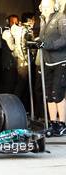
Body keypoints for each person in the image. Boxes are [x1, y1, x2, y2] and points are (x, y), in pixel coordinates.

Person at [38, 0, 66, 136]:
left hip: (61, 61)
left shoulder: (61, 18)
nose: (43, 8)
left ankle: (62, 124)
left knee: (57, 93)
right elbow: (43, 39)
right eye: (42, 5)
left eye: (46, 5)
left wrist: (47, 45)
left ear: (54, 6)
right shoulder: (43, 20)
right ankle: (53, 123)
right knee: (49, 95)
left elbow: (65, 38)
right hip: (48, 62)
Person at [0, 15, 19, 94]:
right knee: (8, 87)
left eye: (16, 22)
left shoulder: (16, 32)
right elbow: (12, 47)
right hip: (9, 64)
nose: (14, 24)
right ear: (8, 22)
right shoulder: (6, 32)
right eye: (12, 22)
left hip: (15, 64)